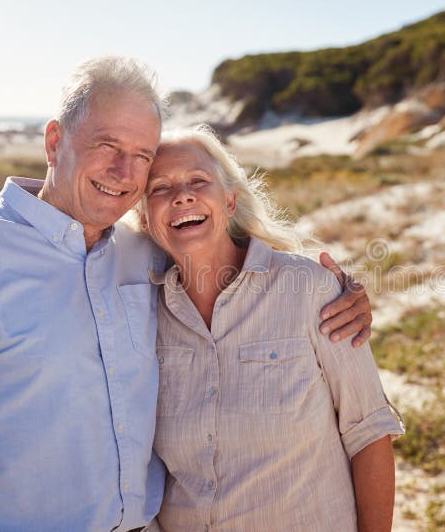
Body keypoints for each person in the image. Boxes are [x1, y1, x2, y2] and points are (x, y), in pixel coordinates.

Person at [0, 56, 372, 531]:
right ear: (54, 142)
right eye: (106, 145)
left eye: (142, 155)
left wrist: (343, 295)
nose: (122, 171)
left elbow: (229, 262)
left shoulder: (146, 254)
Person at [133, 126, 404, 531]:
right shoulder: (140, 313)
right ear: (144, 217)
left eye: (198, 181)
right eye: (160, 188)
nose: (182, 195)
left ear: (229, 199)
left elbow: (369, 431)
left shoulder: (308, 289)